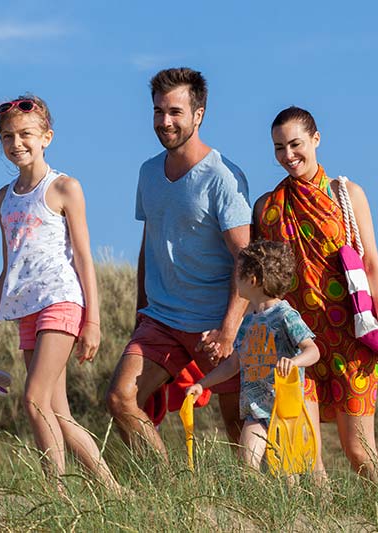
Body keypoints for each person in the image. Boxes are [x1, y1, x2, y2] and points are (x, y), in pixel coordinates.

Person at [0, 94, 121, 492]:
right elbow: (9, 268)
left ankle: (56, 492)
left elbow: (85, 258)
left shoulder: (64, 187)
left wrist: (94, 321)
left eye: (26, 134)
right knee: (58, 412)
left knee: (34, 400)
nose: (17, 143)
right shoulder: (4, 199)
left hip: (62, 301)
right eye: (7, 137)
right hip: (25, 309)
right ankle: (115, 490)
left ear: (46, 137)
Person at [105, 68, 251, 461]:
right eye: (157, 111)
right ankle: (167, 490)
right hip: (162, 319)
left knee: (239, 424)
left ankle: (259, 506)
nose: (164, 121)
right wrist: (141, 309)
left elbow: (245, 259)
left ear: (198, 114)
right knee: (121, 399)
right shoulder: (148, 172)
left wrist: (228, 329)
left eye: (174, 112)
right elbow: (148, 243)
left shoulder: (223, 177)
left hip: (214, 324)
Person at [253, 106, 378, 481]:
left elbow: (372, 264)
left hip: (351, 335)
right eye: (279, 148)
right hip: (298, 341)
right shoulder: (267, 207)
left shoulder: (346, 194)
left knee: (359, 449)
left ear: (316, 140)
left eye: (296, 144)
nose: (288, 156)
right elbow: (259, 278)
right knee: (308, 453)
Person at [185, 240, 321, 471]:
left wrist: (294, 361)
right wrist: (202, 384)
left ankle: (291, 508)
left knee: (287, 476)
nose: (235, 280)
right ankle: (256, 507)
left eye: (238, 274)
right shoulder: (247, 321)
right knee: (246, 465)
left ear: (252, 280)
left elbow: (313, 351)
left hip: (285, 411)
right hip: (255, 411)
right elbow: (234, 364)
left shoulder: (285, 315)